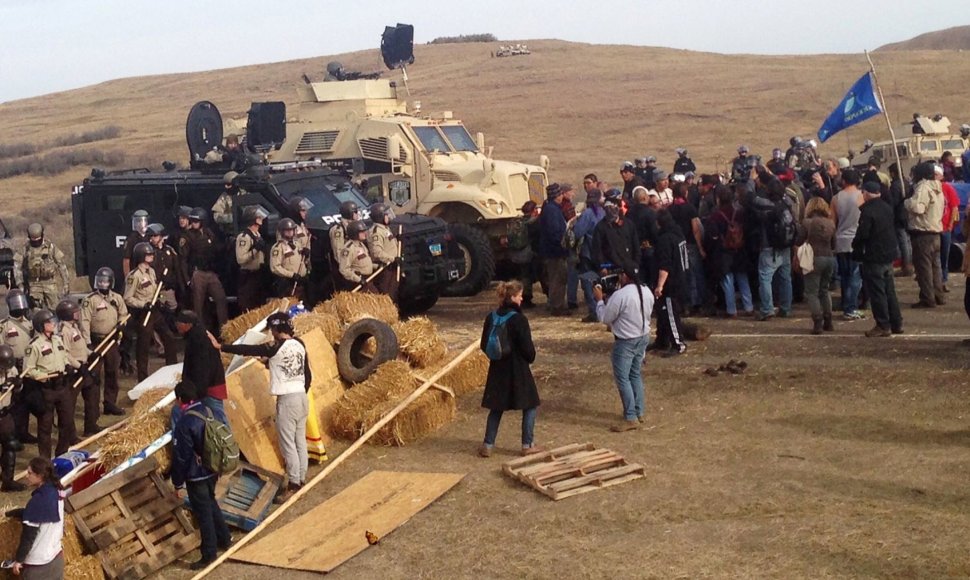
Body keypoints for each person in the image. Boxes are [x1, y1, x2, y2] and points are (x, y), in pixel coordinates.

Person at [212, 312, 311, 502]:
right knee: (299, 440)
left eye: (272, 329)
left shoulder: (275, 346)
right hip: (301, 396)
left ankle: (294, 483)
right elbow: (303, 371)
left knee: (287, 443)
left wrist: (222, 346)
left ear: (276, 329)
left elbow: (249, 349)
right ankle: (301, 477)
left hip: (287, 399)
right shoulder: (299, 344)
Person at [170, 381, 232, 570]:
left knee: (203, 513)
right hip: (212, 468)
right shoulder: (209, 411)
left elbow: (182, 455)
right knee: (211, 503)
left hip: (195, 474)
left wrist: (178, 483)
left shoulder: (184, 422)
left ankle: (209, 554)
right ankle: (225, 538)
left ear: (180, 399)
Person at [477, 281, 540, 457]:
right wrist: (530, 358)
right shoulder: (519, 319)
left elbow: (483, 344)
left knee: (496, 407)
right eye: (519, 295)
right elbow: (528, 349)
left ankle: (488, 444)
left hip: (497, 368)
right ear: (512, 297)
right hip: (518, 369)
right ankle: (527, 444)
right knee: (530, 405)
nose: (521, 298)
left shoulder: (491, 317)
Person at [594, 265, 654, 432]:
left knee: (623, 378)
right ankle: (639, 411)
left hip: (626, 340)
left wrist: (599, 301)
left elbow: (605, 318)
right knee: (635, 374)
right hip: (643, 336)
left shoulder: (621, 295)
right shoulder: (646, 291)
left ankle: (630, 416)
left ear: (624, 276)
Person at [24, 310, 81, 459]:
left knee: (67, 421)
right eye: (50, 322)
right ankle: (45, 460)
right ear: (42, 326)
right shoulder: (34, 345)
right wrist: (41, 376)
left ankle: (61, 454)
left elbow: (63, 357)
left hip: (62, 387)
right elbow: (28, 369)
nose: (54, 324)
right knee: (45, 427)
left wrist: (67, 365)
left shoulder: (58, 340)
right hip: (46, 390)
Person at [853, 181, 903, 337]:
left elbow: (863, 234)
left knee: (877, 292)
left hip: (874, 255)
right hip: (888, 253)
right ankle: (896, 322)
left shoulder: (867, 212)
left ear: (866, 193)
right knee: (890, 291)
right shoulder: (886, 207)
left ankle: (882, 324)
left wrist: (855, 246)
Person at [124, 243, 177, 382]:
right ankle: (143, 377)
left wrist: (162, 290)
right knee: (143, 345)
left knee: (169, 337)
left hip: (155, 311)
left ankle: (172, 369)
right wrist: (143, 305)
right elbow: (128, 298)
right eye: (149, 255)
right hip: (143, 314)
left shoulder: (152, 272)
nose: (152, 256)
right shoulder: (134, 276)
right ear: (141, 257)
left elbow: (154, 290)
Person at [80, 267, 127, 419]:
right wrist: (87, 343)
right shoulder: (90, 300)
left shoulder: (117, 298)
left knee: (112, 372)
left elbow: (123, 314)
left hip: (111, 340)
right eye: (100, 281)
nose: (103, 284)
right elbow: (84, 322)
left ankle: (110, 403)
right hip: (96, 342)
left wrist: (121, 326)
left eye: (105, 281)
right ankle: (93, 409)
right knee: (94, 375)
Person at [8, 457, 65, 577]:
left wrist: (19, 560)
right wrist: (11, 513)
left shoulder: (37, 502)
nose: (26, 476)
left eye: (29, 473)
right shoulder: (57, 492)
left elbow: (28, 537)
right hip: (57, 559)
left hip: (38, 566)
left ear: (40, 476)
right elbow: (42, 514)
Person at [706, 184, 753, 317]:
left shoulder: (715, 216)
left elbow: (713, 235)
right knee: (743, 278)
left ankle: (731, 310)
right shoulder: (740, 212)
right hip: (740, 249)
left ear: (718, 199)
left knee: (727, 280)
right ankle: (748, 306)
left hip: (724, 251)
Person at [905, 161, 946, 308]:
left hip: (923, 232)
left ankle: (928, 298)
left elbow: (918, 208)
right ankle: (938, 295)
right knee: (936, 267)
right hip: (936, 231)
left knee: (924, 268)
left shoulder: (923, 187)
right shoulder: (938, 188)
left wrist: (907, 202)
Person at [175, 311, 227, 425]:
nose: (177, 326)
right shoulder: (197, 335)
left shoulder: (198, 340)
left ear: (188, 324)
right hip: (206, 386)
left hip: (209, 387)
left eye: (179, 323)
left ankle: (226, 441)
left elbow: (202, 367)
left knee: (219, 420)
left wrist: (197, 392)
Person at [182, 208, 228, 330]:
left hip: (211, 272)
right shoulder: (187, 236)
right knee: (198, 306)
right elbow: (183, 260)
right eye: (192, 220)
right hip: (198, 273)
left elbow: (216, 250)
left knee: (221, 298)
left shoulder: (209, 233)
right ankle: (199, 332)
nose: (194, 223)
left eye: (197, 220)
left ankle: (225, 329)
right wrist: (187, 279)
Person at [0, 290, 36, 445]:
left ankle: (23, 432)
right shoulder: (4, 326)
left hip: (27, 366)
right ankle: (11, 434)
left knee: (26, 401)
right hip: (11, 366)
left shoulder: (30, 324)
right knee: (13, 402)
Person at [799, 197, 837, 334]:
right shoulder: (830, 223)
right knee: (824, 290)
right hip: (829, 258)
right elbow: (834, 244)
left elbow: (799, 239)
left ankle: (817, 322)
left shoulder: (807, 223)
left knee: (812, 292)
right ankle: (829, 321)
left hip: (813, 258)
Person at [653, 210, 688, 357]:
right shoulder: (678, 234)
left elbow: (665, 265)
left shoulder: (665, 239)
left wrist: (660, 285)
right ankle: (662, 340)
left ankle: (678, 343)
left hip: (671, 283)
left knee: (670, 312)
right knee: (662, 312)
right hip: (681, 277)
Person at [832, 169, 865, 320]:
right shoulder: (861, 197)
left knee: (845, 275)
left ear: (843, 181)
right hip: (856, 239)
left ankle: (846, 303)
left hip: (841, 240)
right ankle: (851, 307)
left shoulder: (836, 198)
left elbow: (833, 221)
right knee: (855, 276)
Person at [668, 181, 706, 315]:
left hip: (675, 245)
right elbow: (695, 229)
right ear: (685, 193)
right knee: (696, 274)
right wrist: (701, 247)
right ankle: (698, 303)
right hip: (690, 244)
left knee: (681, 275)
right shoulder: (690, 208)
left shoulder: (669, 209)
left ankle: (685, 303)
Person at [55, 299, 91, 439]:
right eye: (75, 312)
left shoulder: (74, 327)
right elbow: (65, 353)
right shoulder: (64, 331)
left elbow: (80, 346)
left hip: (83, 367)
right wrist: (78, 365)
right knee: (69, 405)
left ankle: (90, 426)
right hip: (74, 372)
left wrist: (90, 353)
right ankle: (70, 435)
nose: (78, 314)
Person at [574, 189, 606, 322]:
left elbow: (578, 232)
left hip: (588, 253)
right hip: (602, 253)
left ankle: (594, 311)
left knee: (588, 281)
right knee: (600, 280)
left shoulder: (587, 214)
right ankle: (603, 307)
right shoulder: (604, 212)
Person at [21, 223, 70, 311]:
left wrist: (66, 283)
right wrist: (20, 284)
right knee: (36, 310)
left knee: (55, 309)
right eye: (33, 240)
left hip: (50, 283)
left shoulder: (51, 247)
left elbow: (61, 265)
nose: (36, 242)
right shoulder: (25, 248)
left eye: (38, 239)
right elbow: (17, 266)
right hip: (34, 284)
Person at [538, 183, 570, 315]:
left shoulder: (551, 208)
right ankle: (557, 307)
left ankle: (556, 304)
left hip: (552, 250)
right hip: (555, 251)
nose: (562, 196)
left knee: (556, 278)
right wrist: (562, 245)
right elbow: (554, 232)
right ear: (557, 195)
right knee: (558, 278)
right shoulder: (552, 210)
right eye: (561, 193)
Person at [147, 223, 186, 322]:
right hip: (154, 289)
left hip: (168, 288)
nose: (152, 239)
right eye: (150, 236)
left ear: (161, 236)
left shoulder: (170, 250)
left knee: (173, 307)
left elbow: (177, 269)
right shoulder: (148, 251)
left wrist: (180, 286)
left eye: (155, 236)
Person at [0, 347, 25, 492]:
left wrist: (17, 385)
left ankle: (8, 480)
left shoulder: (12, 369)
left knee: (10, 446)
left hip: (5, 413)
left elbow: (17, 390)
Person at [235, 206, 269, 311]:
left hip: (259, 274)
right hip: (248, 276)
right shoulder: (244, 237)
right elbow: (240, 259)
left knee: (259, 304)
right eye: (258, 217)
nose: (261, 219)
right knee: (247, 305)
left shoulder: (258, 235)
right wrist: (255, 250)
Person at [367, 203, 401, 302]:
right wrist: (392, 259)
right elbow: (377, 253)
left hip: (392, 267)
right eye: (386, 215)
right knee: (387, 295)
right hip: (384, 268)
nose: (389, 217)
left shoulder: (384, 228)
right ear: (380, 217)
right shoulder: (376, 232)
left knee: (394, 293)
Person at [270, 219, 310, 300]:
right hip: (288, 283)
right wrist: (291, 275)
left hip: (301, 281)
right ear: (282, 232)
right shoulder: (278, 247)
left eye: (291, 230)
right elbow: (275, 267)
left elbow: (302, 261)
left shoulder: (297, 244)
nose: (290, 232)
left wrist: (306, 255)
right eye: (287, 231)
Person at [886, 163, 913, 278]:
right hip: (906, 215)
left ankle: (906, 266)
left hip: (900, 215)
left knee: (903, 241)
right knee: (907, 241)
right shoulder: (906, 183)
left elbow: (894, 202)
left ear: (893, 173)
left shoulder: (897, 185)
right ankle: (908, 264)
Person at [335, 221, 377, 292]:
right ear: (355, 233)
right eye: (362, 232)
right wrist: (358, 280)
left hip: (368, 279)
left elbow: (362, 263)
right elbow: (344, 269)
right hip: (357, 283)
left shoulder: (361, 245)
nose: (365, 233)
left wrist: (376, 266)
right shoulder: (348, 249)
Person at [939, 165, 960, 291]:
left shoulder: (947, 188)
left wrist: (950, 225)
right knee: (936, 257)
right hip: (934, 228)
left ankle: (943, 281)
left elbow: (954, 207)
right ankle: (937, 281)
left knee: (944, 256)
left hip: (945, 227)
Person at [121, 210, 150, 277]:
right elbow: (126, 260)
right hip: (136, 273)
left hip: (148, 272)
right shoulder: (131, 239)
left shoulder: (149, 237)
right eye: (138, 221)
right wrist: (128, 277)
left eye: (143, 220)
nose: (141, 223)